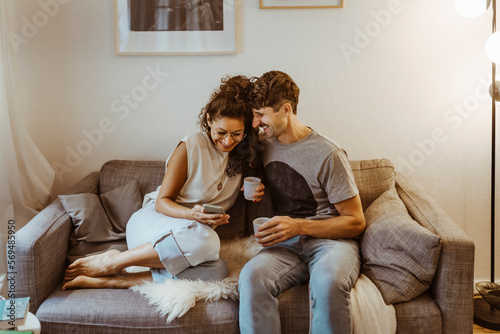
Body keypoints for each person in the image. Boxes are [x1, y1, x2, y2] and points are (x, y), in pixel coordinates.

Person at [62, 75, 263, 290]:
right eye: (221, 132)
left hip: (189, 241)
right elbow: (162, 202)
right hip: (153, 227)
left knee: (217, 271)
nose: (227, 141)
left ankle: (116, 280)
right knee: (209, 241)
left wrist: (257, 189)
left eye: (236, 134)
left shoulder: (242, 158)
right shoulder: (192, 146)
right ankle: (111, 262)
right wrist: (191, 214)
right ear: (209, 120)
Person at [238, 71, 366, 333]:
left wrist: (298, 227)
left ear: (286, 109)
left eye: (261, 114)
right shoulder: (264, 143)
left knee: (329, 281)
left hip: (332, 243)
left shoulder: (328, 153)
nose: (255, 122)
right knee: (251, 276)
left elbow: (355, 222)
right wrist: (254, 185)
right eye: (254, 114)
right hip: (286, 245)